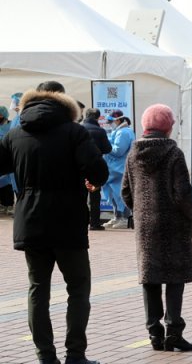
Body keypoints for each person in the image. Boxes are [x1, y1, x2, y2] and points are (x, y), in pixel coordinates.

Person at [0, 81, 108, 364]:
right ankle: (75, 354)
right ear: (64, 100)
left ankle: (45, 356)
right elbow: (98, 172)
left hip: (29, 220)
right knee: (78, 287)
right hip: (67, 219)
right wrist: (88, 180)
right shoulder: (74, 132)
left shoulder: (15, 133)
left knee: (38, 288)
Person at [121, 104, 192, 352]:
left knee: (150, 279)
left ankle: (154, 333)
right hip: (173, 223)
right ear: (166, 126)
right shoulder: (173, 153)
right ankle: (174, 331)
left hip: (145, 226)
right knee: (175, 278)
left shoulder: (134, 152)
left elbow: (126, 190)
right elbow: (182, 192)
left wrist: (141, 211)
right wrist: (189, 218)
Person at [102, 111, 135, 229]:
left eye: (111, 122)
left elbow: (118, 151)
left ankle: (124, 218)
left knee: (120, 194)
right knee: (113, 194)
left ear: (118, 121)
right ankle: (118, 216)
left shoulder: (124, 133)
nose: (110, 124)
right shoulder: (119, 131)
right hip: (114, 168)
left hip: (119, 168)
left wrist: (105, 145)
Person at [81, 108, 112, 230]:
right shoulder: (100, 131)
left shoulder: (78, 129)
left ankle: (80, 222)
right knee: (95, 195)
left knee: (80, 195)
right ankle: (94, 223)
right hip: (94, 166)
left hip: (79, 166)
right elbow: (107, 149)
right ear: (98, 118)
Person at [0, 106, 13, 215]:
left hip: (8, 156)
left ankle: (9, 204)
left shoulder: (12, 125)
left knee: (7, 182)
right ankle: (2, 204)